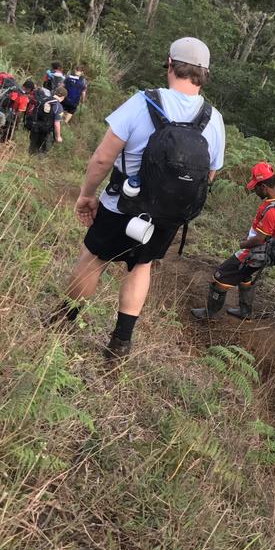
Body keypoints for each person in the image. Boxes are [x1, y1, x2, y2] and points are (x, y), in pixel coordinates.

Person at [53, 37, 225, 360]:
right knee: (141, 266)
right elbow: (209, 175)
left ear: (170, 65)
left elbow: (103, 158)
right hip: (165, 216)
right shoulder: (213, 119)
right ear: (203, 74)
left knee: (93, 258)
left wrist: (87, 195)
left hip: (122, 204)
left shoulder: (143, 102)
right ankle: (120, 343)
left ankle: (64, 320)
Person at [191, 162, 275, 321]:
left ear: (264, 186)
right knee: (245, 276)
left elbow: (260, 239)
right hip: (262, 254)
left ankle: (209, 314)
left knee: (220, 276)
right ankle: (245, 312)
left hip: (253, 252)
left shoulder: (273, 211)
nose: (254, 190)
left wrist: (243, 244)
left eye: (256, 187)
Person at [28, 85, 66, 155]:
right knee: (42, 152)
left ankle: (27, 160)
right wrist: (58, 137)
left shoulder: (44, 99)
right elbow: (56, 124)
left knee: (32, 148)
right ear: (63, 97)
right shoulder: (58, 106)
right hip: (46, 132)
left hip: (35, 127)